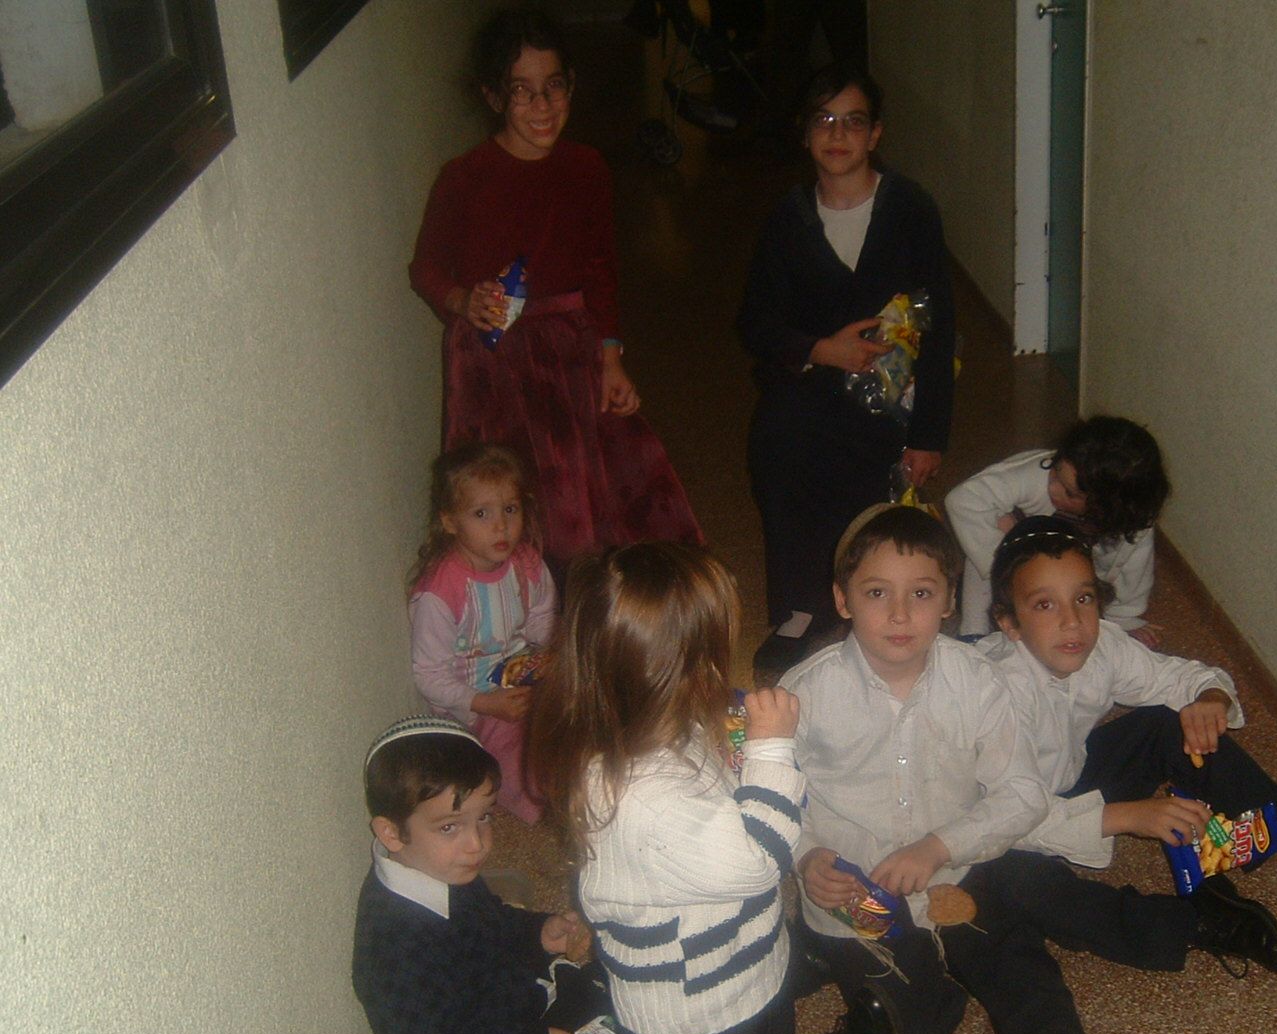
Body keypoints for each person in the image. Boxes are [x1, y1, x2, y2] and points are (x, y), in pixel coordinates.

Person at [781, 505, 1266, 1034]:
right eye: (877, 592)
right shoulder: (806, 693)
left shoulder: (977, 680)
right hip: (856, 900)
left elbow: (1019, 795)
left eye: (922, 593)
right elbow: (767, 796)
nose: (900, 614)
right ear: (842, 599)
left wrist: (940, 844)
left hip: (963, 873)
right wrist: (805, 858)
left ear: (950, 600)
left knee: (1032, 992)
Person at [528, 542, 896, 1034]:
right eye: (712, 652)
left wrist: (737, 751)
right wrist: (772, 749)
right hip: (694, 1029)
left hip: (746, 983)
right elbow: (760, 857)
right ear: (679, 671)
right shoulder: (642, 795)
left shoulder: (659, 732)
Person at [984, 514, 1277, 915]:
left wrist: (1211, 700)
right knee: (1025, 894)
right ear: (1008, 623)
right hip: (1001, 828)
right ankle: (1207, 917)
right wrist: (1128, 816)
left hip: (1064, 779)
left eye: (1083, 598)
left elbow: (1183, 678)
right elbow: (1007, 820)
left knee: (1169, 723)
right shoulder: (994, 696)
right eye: (1045, 605)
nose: (1072, 621)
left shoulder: (1102, 645)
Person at [409, 7, 701, 567]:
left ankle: (594, 602)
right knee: (505, 498)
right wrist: (462, 300)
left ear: (571, 86)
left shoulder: (587, 168)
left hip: (568, 352)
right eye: (522, 91)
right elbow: (425, 268)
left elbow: (600, 269)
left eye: (554, 87)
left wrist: (610, 357)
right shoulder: (464, 178)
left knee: (585, 498)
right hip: (492, 361)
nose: (542, 106)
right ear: (494, 96)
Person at [738, 63, 955, 676]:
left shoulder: (909, 209)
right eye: (824, 121)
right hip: (810, 385)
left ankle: (866, 607)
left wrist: (929, 434)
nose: (838, 135)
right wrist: (820, 350)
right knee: (779, 448)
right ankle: (798, 607)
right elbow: (755, 322)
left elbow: (940, 325)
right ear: (805, 133)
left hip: (889, 395)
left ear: (875, 133)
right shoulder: (789, 220)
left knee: (866, 492)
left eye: (853, 122)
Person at [351, 716, 635, 1034]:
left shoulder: (440, 868)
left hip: (527, 998)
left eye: (484, 817)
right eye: (449, 827)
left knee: (634, 986)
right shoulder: (393, 948)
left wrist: (537, 933)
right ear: (391, 833)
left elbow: (490, 920)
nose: (477, 843)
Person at [409, 443, 554, 825]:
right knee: (513, 755)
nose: (501, 526)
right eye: (481, 513)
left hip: (523, 672)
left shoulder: (526, 563)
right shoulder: (441, 592)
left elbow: (541, 618)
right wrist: (486, 704)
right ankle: (543, 801)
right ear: (450, 522)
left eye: (510, 509)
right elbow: (429, 675)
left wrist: (556, 653)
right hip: (474, 702)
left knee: (580, 708)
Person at [946, 415, 1169, 642]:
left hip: (1069, 568)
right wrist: (1005, 562)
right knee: (983, 541)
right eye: (1055, 471)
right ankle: (973, 630)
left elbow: (1133, 573)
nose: (1053, 488)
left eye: (1070, 493)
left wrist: (1124, 618)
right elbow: (963, 500)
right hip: (1019, 556)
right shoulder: (1033, 474)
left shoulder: (1132, 525)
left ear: (1105, 507)